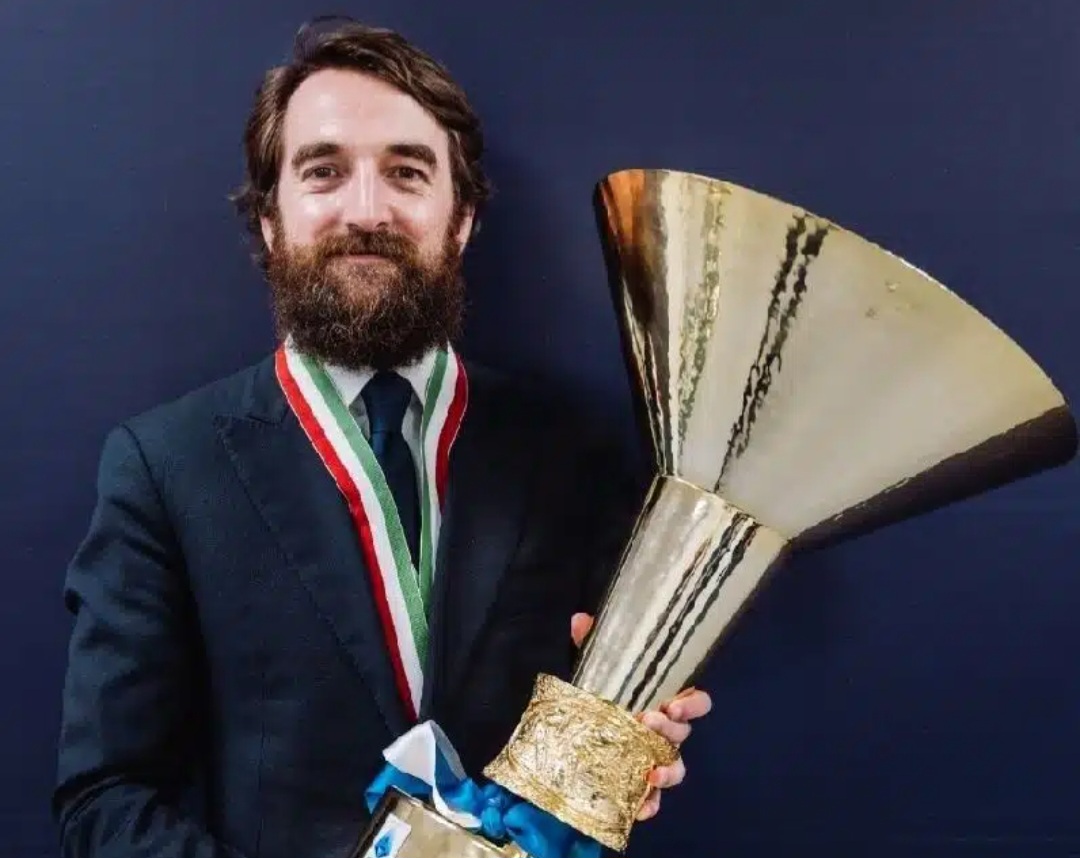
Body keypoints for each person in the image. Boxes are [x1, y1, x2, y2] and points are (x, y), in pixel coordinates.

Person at [53, 17, 712, 858]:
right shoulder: (165, 468)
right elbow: (105, 799)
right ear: (270, 219)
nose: (367, 210)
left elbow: (612, 727)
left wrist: (635, 744)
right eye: (324, 171)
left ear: (462, 219)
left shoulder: (571, 449)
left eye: (406, 172)